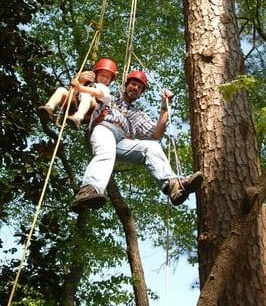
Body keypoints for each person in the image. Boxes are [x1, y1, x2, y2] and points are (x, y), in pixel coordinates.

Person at [71, 70, 203, 213]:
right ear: (125, 85)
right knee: (106, 154)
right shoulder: (108, 97)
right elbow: (77, 100)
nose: (135, 88)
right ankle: (89, 190)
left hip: (121, 140)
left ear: (141, 94)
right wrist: (81, 80)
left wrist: (164, 108)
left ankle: (173, 186)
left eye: (139, 88)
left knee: (151, 147)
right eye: (133, 84)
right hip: (103, 129)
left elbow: (156, 134)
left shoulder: (137, 115)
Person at [37, 58, 117, 129]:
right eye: (102, 75)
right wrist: (80, 81)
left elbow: (98, 93)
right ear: (96, 75)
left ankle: (78, 117)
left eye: (107, 77)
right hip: (75, 105)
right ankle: (49, 107)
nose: (104, 79)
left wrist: (80, 87)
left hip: (90, 110)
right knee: (62, 90)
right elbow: (74, 93)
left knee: (87, 96)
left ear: (110, 80)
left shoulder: (105, 89)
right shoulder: (89, 84)